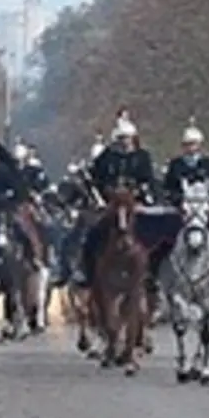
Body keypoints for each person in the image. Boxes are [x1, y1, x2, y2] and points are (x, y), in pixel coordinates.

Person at [73, 109, 155, 286]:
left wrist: (141, 193)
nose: (124, 142)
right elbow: (96, 177)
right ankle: (87, 271)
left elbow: (149, 180)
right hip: (111, 203)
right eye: (121, 138)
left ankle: (153, 273)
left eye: (127, 138)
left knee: (153, 233)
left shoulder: (142, 157)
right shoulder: (107, 156)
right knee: (93, 233)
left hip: (135, 203)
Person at [160, 117, 209, 292]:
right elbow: (167, 188)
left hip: (204, 211)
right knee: (163, 241)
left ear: (200, 145)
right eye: (187, 144)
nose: (190, 148)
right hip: (182, 211)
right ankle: (156, 277)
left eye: (194, 144)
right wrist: (176, 199)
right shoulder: (175, 165)